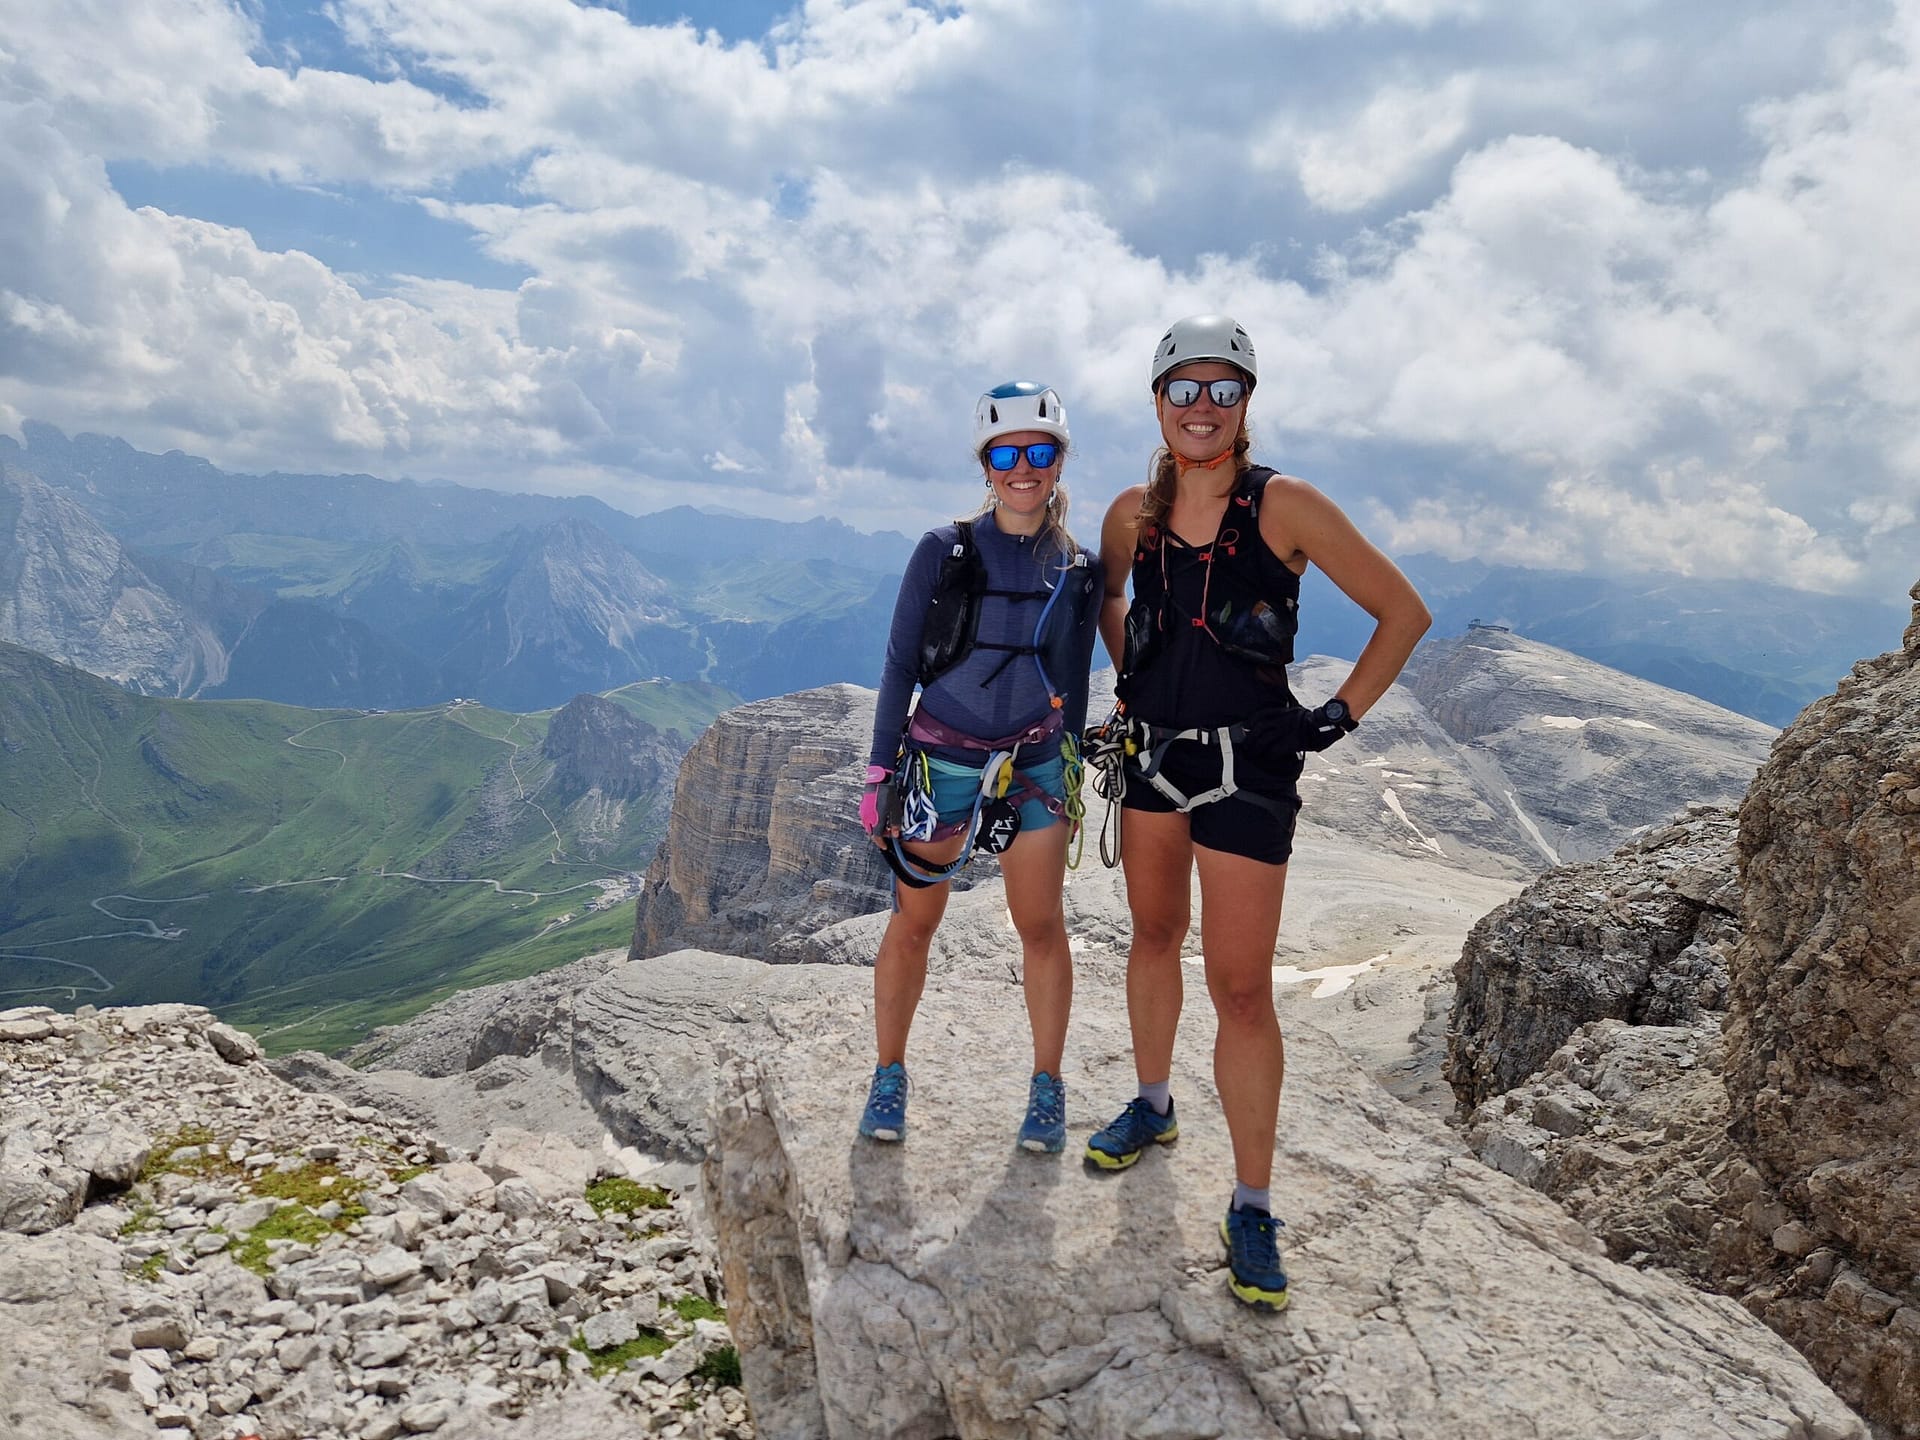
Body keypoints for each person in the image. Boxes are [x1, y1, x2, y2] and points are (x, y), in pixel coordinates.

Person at [1083, 315, 1430, 1311]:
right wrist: (1131, 684)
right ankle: (1153, 1106)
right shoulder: (1129, 517)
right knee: (1152, 935)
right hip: (1154, 762)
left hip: (1249, 771)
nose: (1201, 407)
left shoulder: (1287, 505)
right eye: (1182, 389)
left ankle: (1252, 1202)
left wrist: (1333, 718)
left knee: (1240, 990)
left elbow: (1402, 612)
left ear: (1246, 401)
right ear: (1156, 402)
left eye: (1221, 390)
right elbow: (1111, 602)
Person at [856, 381, 1101, 1153]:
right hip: (941, 761)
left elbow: (1077, 672)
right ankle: (888, 1074)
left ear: (1059, 462)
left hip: (1032, 762)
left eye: (1039, 452)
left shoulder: (1077, 566)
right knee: (915, 922)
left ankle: (1047, 1087)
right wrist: (876, 773)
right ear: (986, 464)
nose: (1023, 468)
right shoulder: (944, 548)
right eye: (1006, 453)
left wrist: (1071, 757)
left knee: (1041, 927)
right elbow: (901, 664)